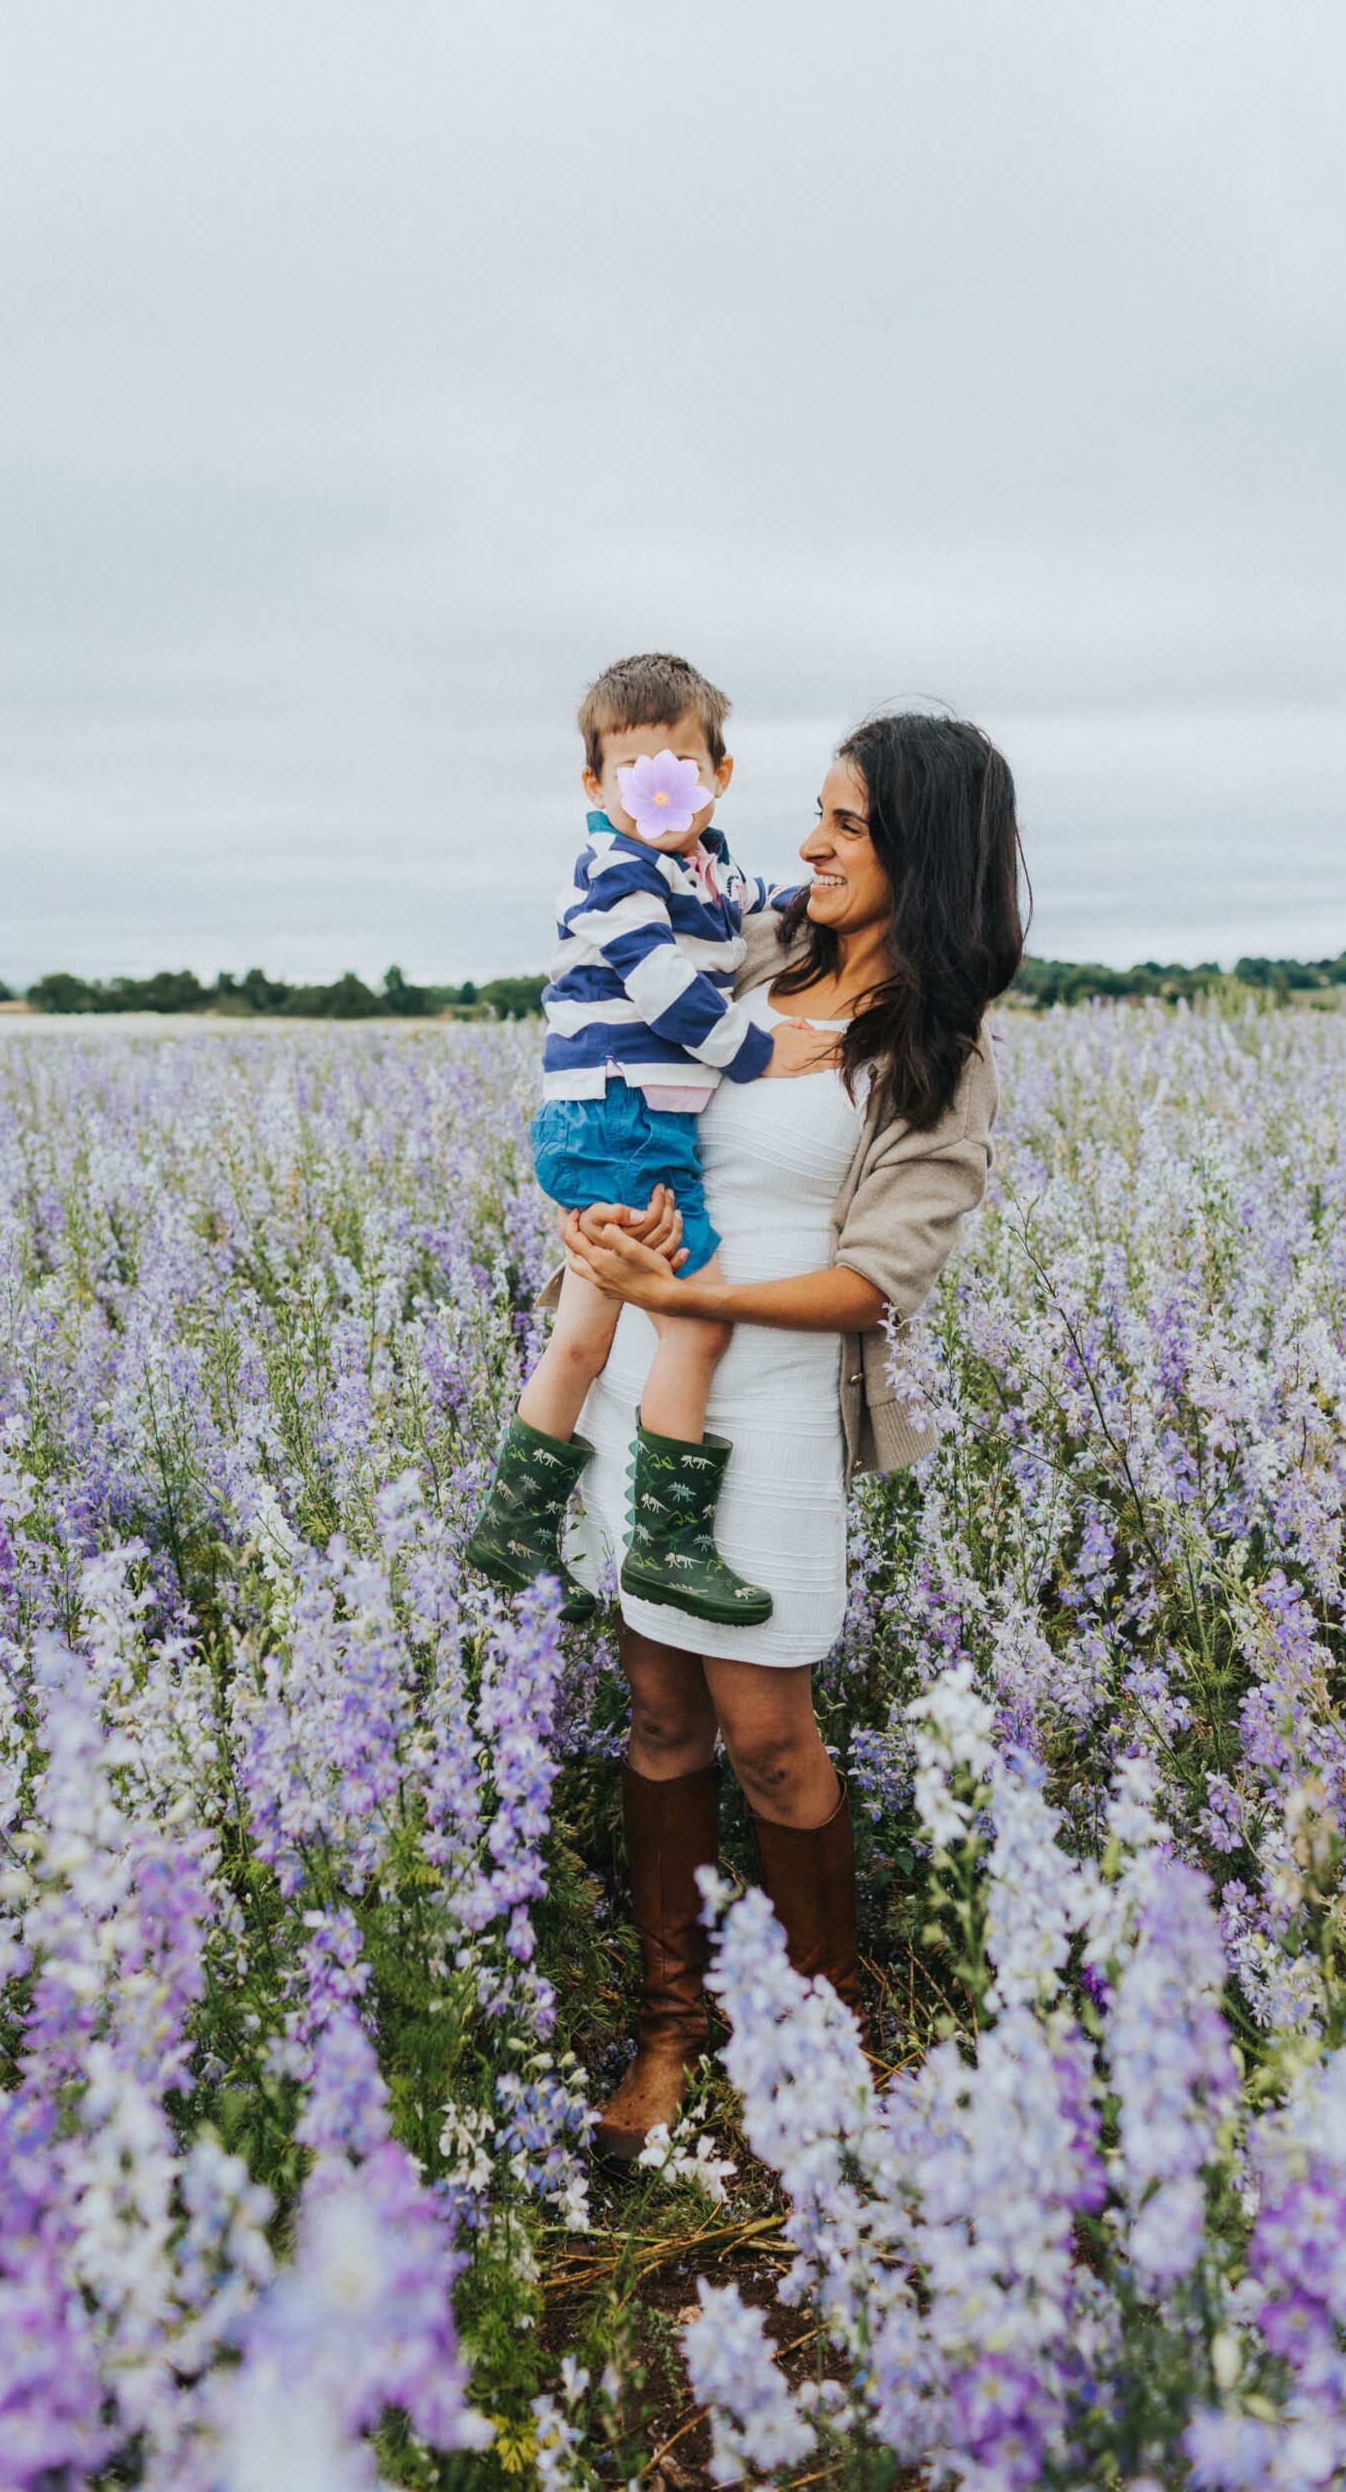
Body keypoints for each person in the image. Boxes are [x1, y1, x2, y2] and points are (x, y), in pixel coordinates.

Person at [548, 708, 1028, 2156]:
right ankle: (673, 2025)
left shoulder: (931, 1053)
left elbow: (874, 1278)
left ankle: (826, 2025)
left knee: (765, 1734)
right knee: (656, 1708)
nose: (807, 844)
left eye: (846, 825)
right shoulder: (741, 961)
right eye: (811, 813)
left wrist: (687, 1288)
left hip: (765, 1391)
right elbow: (597, 1053)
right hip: (640, 1360)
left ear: (923, 856)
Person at [464, 652, 828, 1625]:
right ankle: (669, 1543)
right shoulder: (616, 871)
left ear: (720, 773)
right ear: (595, 786)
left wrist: (831, 900)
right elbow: (664, 989)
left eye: (682, 767)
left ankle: (513, 1529)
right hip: (624, 1121)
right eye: (636, 774)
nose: (661, 788)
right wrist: (758, 1052)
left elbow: (770, 910)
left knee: (583, 1335)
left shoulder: (703, 864)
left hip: (612, 1122)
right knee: (698, 1319)